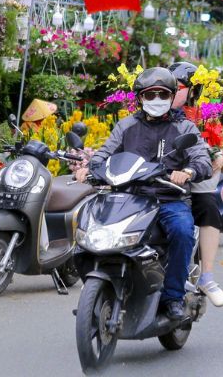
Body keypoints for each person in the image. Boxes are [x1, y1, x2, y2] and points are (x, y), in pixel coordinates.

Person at [76, 67, 211, 321]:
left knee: (182, 232)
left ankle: (173, 297)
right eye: (150, 95)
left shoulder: (185, 128)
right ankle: (97, 289)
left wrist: (189, 171)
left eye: (162, 94)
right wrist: (89, 168)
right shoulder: (126, 126)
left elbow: (201, 158)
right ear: (140, 98)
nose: (156, 99)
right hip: (130, 198)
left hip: (169, 199)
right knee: (89, 229)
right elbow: (106, 153)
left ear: (172, 97)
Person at [169, 61, 223, 308]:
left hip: (192, 182)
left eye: (179, 87)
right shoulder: (153, 113)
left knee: (207, 206)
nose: (172, 92)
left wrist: (221, 158)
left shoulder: (206, 116)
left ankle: (206, 276)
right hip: (156, 181)